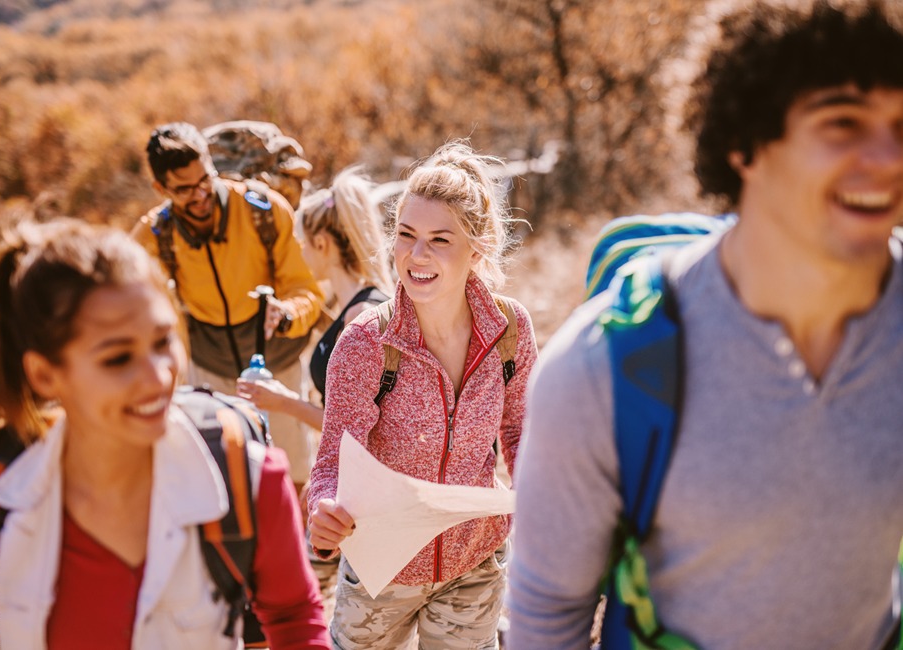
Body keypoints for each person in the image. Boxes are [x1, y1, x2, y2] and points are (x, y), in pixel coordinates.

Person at [508, 1, 903, 648]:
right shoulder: (601, 368)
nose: (888, 156)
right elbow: (549, 614)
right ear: (744, 144)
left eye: (902, 123)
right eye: (843, 123)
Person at [0, 219, 330, 649]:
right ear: (44, 374)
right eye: (117, 358)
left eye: (162, 340)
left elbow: (294, 617)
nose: (157, 377)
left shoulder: (246, 473)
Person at [306, 141, 538, 649]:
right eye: (406, 235)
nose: (416, 255)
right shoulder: (366, 343)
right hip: (380, 568)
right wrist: (323, 506)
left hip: (474, 560)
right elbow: (330, 465)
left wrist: (543, 499)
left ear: (477, 248)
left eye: (439, 239)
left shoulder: (510, 330)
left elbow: (522, 431)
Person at [131, 122, 325, 496]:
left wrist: (286, 314)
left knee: (292, 475)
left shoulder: (264, 211)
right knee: (223, 480)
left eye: (205, 179)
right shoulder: (155, 233)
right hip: (209, 371)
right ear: (160, 189)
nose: (200, 194)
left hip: (276, 365)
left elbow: (306, 291)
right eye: (183, 190)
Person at [236, 165, 393, 431]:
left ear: (321, 243)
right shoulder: (356, 306)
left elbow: (349, 428)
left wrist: (285, 402)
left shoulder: (361, 315)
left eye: (303, 244)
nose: (301, 254)